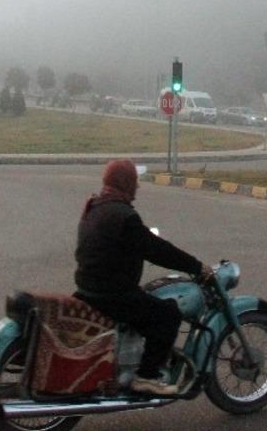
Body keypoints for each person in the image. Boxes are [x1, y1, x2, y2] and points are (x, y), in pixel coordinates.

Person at [74, 159, 213, 396]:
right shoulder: (124, 216)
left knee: (147, 306)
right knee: (168, 315)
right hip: (112, 294)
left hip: (88, 289)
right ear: (126, 183)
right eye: (134, 181)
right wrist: (197, 266)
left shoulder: (95, 206)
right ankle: (147, 376)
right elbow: (156, 250)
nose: (137, 186)